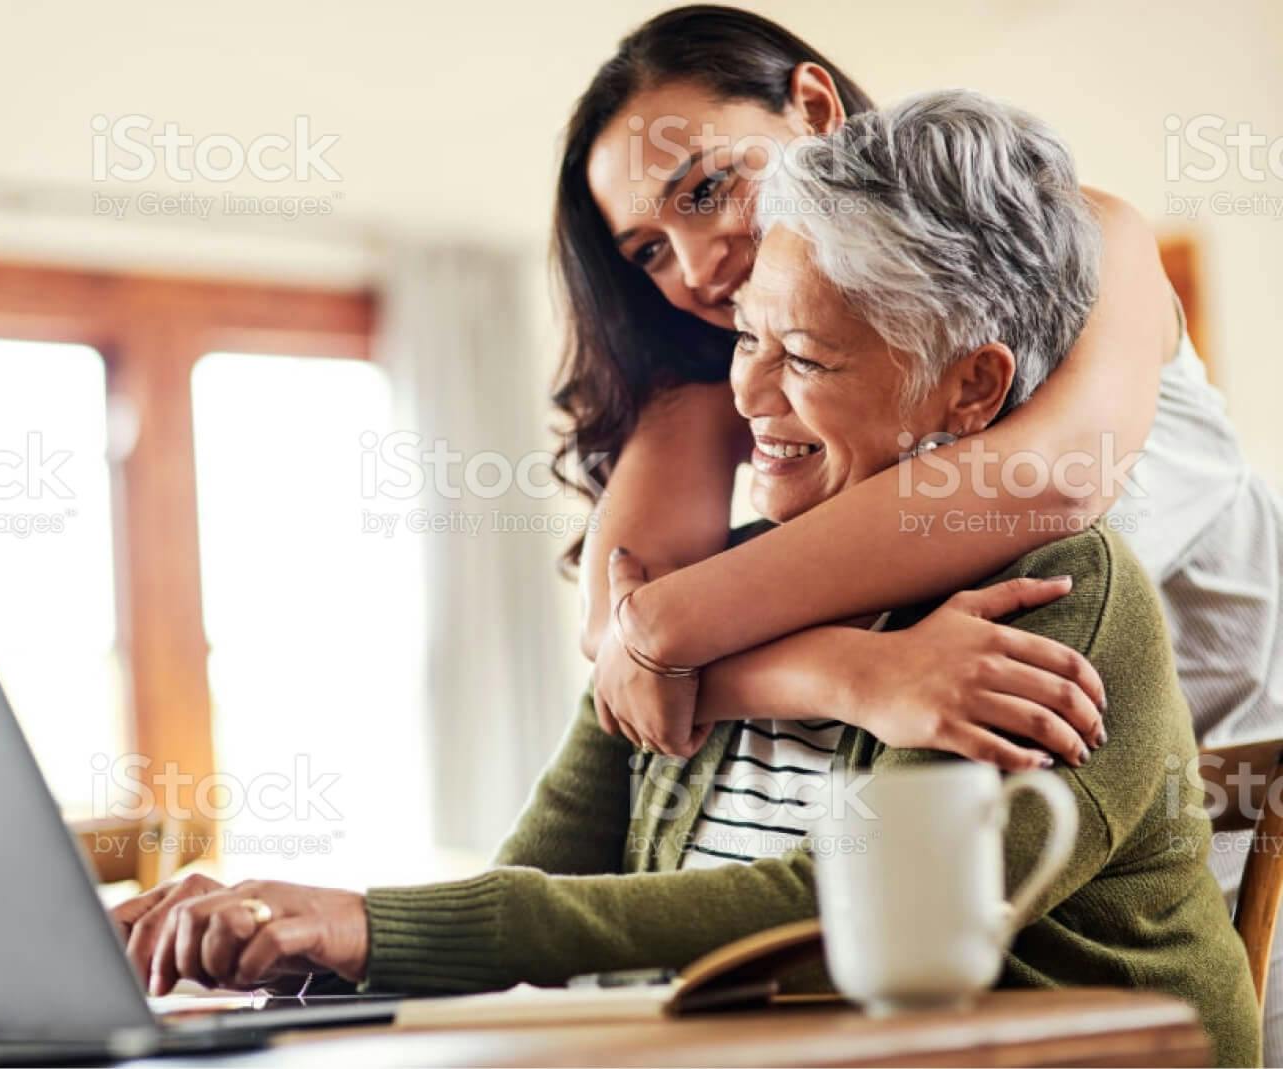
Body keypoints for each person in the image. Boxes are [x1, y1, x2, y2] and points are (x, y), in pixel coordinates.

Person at [112, 91, 1259, 1067]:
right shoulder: (739, 575)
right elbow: (543, 870)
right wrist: (312, 947)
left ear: (967, 391)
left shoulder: (1055, 593)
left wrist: (375, 927)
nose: (750, 400)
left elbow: (835, 916)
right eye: (741, 340)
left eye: (803, 357)